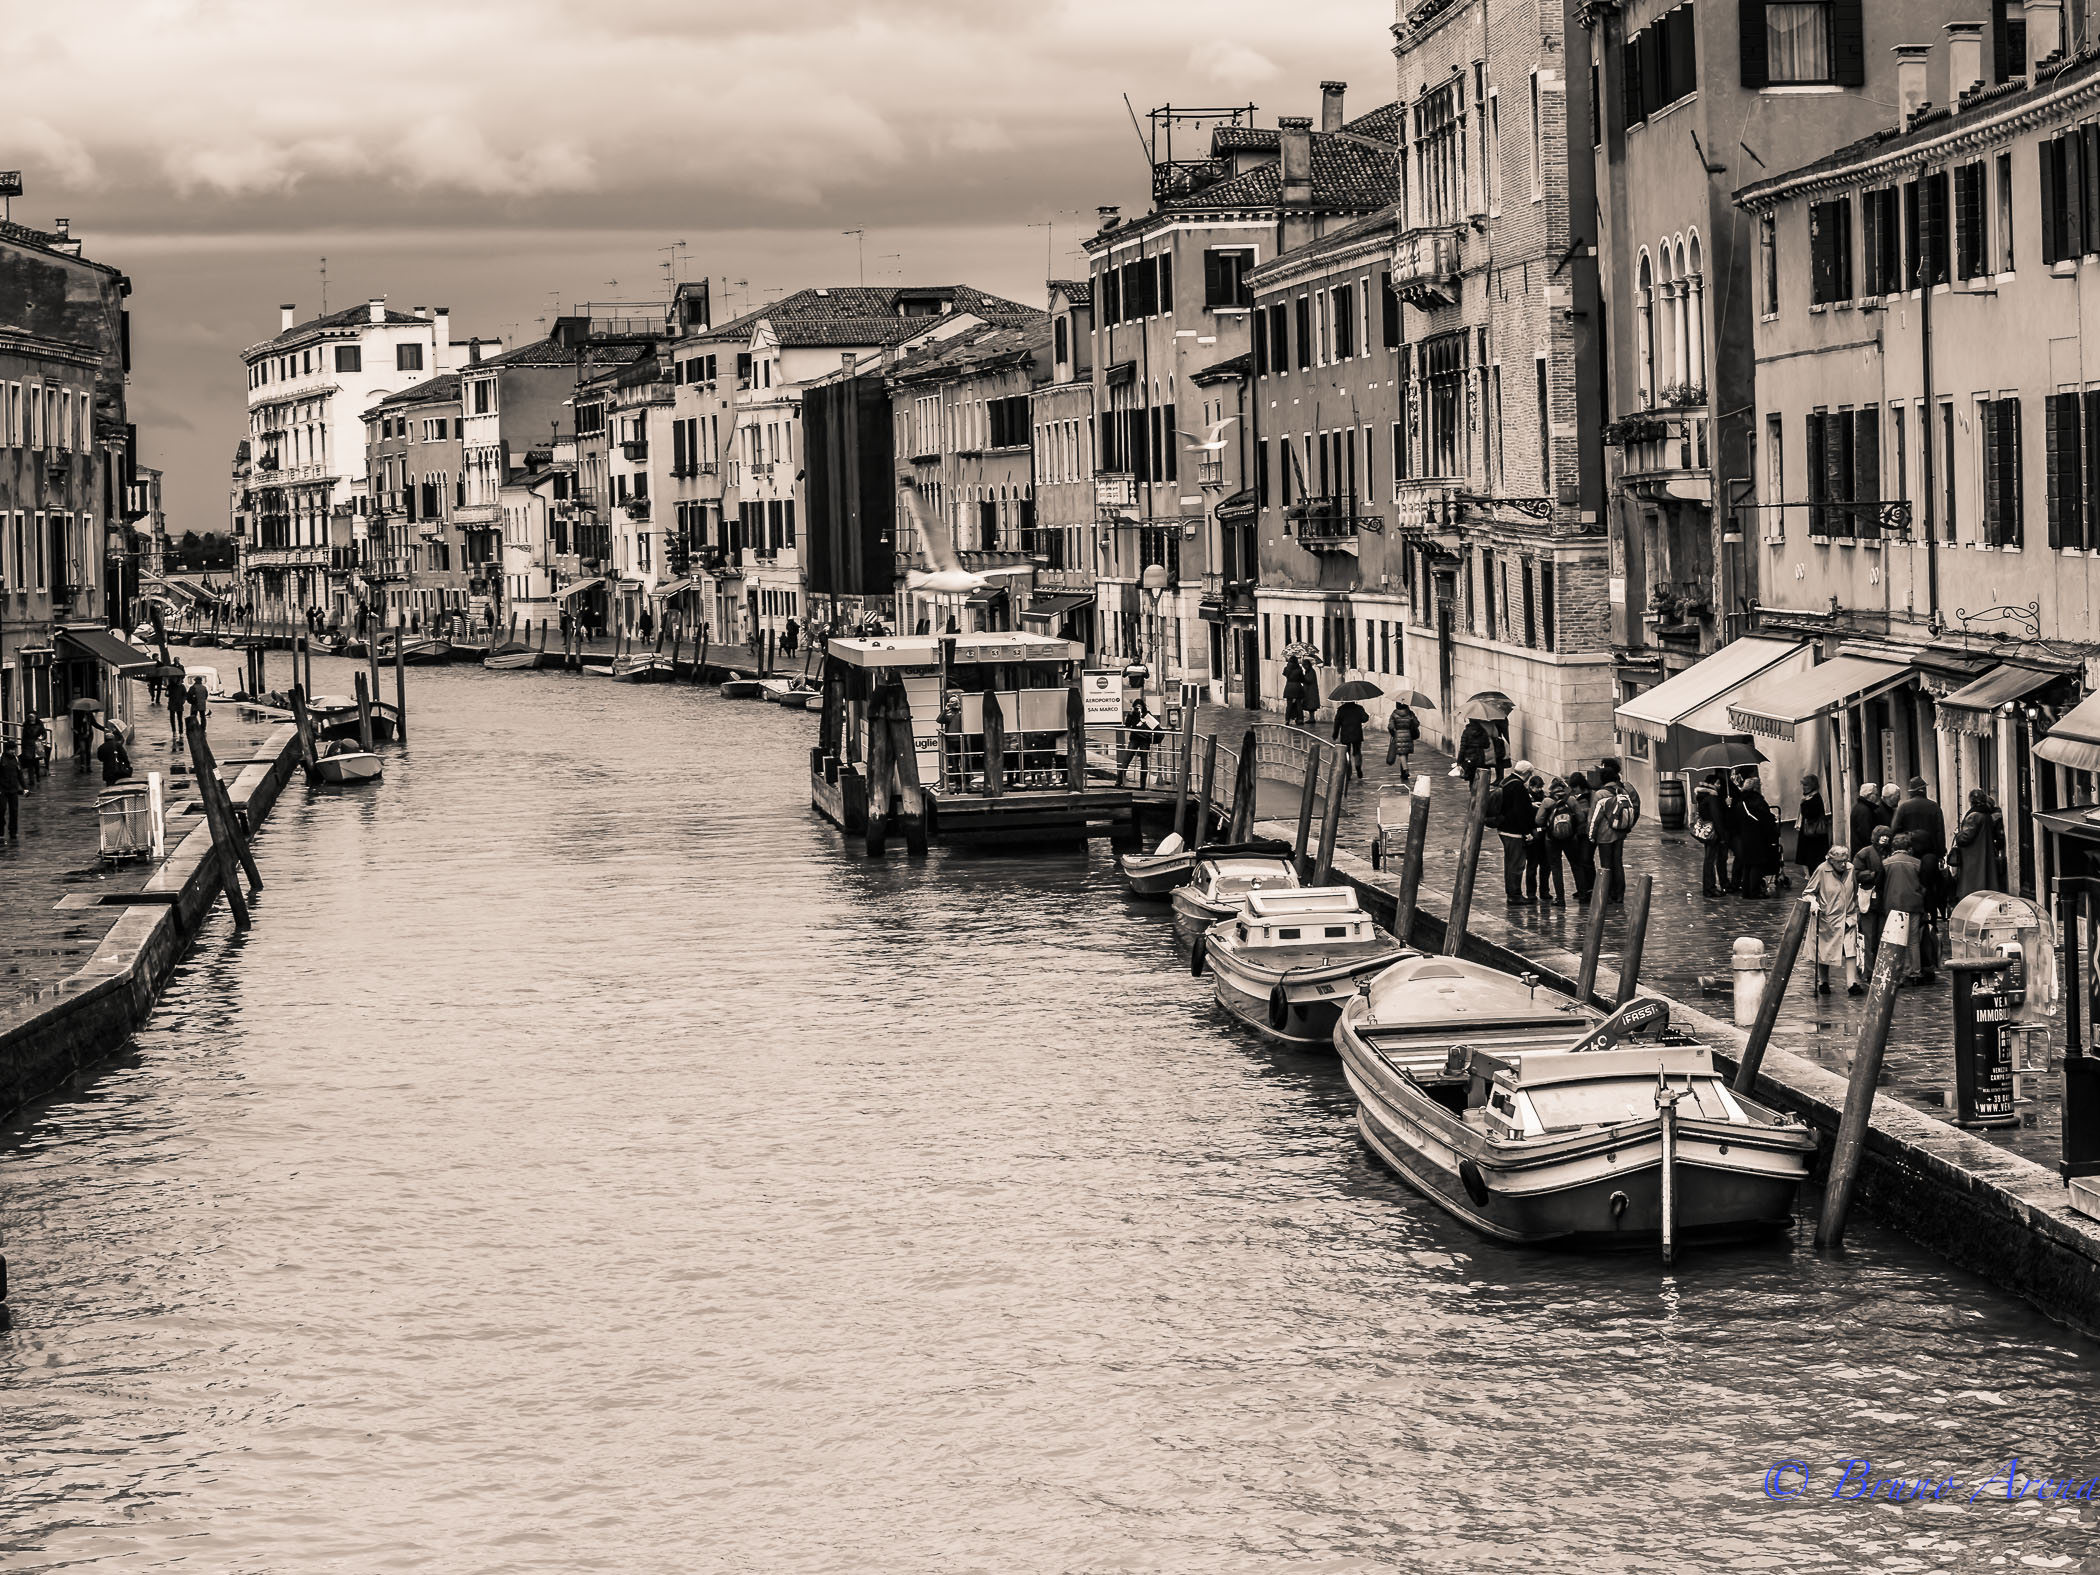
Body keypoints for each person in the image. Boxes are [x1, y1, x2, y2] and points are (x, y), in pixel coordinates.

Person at [1881, 831, 1935, 984]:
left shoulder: (1886, 863)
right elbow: (1923, 885)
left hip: (1893, 905)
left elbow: (1879, 884)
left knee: (1897, 940)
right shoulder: (1917, 863)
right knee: (1913, 940)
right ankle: (1916, 973)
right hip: (1914, 904)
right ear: (1909, 847)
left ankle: (1901, 973)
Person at [1890, 776, 1947, 917]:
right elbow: (1940, 832)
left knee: (1912, 885)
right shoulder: (1934, 807)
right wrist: (1940, 854)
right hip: (1930, 854)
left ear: (1911, 792)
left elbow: (1894, 829)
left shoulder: (1903, 807)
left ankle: (1914, 914)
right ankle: (1932, 916)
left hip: (1909, 854)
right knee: (1930, 886)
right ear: (1923, 790)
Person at [1807, 845, 1859, 995]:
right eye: (1839, 862)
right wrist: (1814, 903)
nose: (1843, 864)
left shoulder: (1850, 869)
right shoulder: (1822, 870)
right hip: (1827, 919)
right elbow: (1809, 892)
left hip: (1847, 916)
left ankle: (1852, 983)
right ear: (1831, 861)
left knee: (1850, 950)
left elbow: (1854, 890)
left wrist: (1855, 911)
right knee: (1825, 951)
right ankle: (1824, 982)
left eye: (1845, 860)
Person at [1589, 760, 1635, 903]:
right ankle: (1619, 894)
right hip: (1619, 833)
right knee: (1618, 863)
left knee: (1606, 865)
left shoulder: (1600, 794)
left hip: (1604, 835)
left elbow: (1594, 818)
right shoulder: (1623, 790)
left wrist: (1591, 835)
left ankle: (1607, 895)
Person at [1953, 789, 2005, 900]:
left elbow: (1966, 837)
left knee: (1973, 884)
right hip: (1984, 852)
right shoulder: (1987, 814)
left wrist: (1958, 835)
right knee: (1985, 880)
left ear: (1971, 800)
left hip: (1973, 855)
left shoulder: (1974, 816)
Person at [1735, 770, 1780, 897]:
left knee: (1747, 864)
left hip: (1745, 836)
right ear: (1756, 788)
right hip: (1757, 836)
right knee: (1757, 864)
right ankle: (1754, 891)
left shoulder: (1741, 802)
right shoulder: (1757, 801)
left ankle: (1746, 891)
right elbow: (1765, 818)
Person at [1496, 767, 1537, 904]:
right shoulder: (1518, 786)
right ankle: (1514, 895)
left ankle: (1512, 893)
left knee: (1510, 863)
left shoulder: (1506, 781)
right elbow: (1520, 812)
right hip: (1514, 831)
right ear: (1526, 773)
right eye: (1530, 773)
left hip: (1504, 828)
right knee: (1516, 864)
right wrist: (1527, 832)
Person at [1536, 776, 1577, 905]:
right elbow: (1581, 817)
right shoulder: (1571, 799)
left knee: (1556, 867)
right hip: (1570, 838)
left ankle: (1560, 898)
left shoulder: (1547, 801)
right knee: (1576, 865)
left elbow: (1538, 820)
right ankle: (1582, 894)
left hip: (1552, 838)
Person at [1855, 826, 1891, 966]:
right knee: (1869, 936)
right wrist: (1873, 875)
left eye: (1887, 836)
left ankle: (1881, 966)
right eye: (1882, 835)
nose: (1885, 838)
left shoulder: (1891, 853)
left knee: (1883, 934)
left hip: (1885, 898)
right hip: (1869, 897)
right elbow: (1856, 873)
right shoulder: (1865, 853)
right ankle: (1869, 968)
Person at [1694, 771, 1730, 898]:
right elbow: (1717, 817)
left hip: (1708, 832)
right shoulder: (1713, 798)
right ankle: (1710, 888)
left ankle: (1712, 886)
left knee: (1710, 859)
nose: (1720, 786)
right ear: (1712, 784)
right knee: (1710, 860)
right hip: (1714, 833)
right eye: (1718, 783)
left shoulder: (1703, 796)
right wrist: (1723, 836)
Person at [1564, 770, 1597, 903]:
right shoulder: (1574, 795)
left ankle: (1591, 888)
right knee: (1582, 860)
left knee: (1586, 860)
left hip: (1587, 832)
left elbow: (1587, 813)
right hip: (1579, 833)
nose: (1573, 789)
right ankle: (1584, 887)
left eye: (1575, 787)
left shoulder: (1590, 796)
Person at [1795, 773, 1832, 878]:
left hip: (1813, 834)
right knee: (1811, 860)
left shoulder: (1813, 798)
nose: (1803, 787)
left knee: (1813, 859)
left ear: (1812, 786)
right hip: (1811, 834)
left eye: (1805, 785)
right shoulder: (1810, 797)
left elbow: (1809, 815)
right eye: (1803, 785)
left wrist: (1803, 804)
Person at [1333, 696, 1369, 779]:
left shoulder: (1341, 709)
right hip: (1357, 734)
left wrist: (1335, 734)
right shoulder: (1359, 708)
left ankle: (1348, 772)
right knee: (1357, 751)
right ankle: (1358, 765)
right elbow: (1365, 718)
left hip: (1345, 735)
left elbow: (1337, 723)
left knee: (1347, 753)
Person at [1385, 700, 1420, 770]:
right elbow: (1417, 723)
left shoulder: (1394, 714)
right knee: (1405, 753)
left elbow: (1390, 727)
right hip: (1408, 735)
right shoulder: (1410, 713)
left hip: (1398, 735)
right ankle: (1404, 771)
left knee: (1401, 753)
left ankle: (1405, 769)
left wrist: (1393, 733)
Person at [0, 738, 22, 840]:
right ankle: (0, 830)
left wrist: (24, 788)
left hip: (13, 789)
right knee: (1, 809)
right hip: (2, 789)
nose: (13, 751)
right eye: (11, 749)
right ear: (6, 750)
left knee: (14, 811)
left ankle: (13, 832)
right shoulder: (1, 758)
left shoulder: (16, 759)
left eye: (14, 749)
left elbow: (20, 775)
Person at [1851, 781, 1882, 853]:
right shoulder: (1865, 811)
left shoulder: (1859, 807)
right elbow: (1866, 834)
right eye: (1876, 795)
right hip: (1864, 851)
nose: (1877, 797)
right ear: (1870, 795)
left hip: (1860, 850)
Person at [20, 712, 47, 787]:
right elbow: (24, 736)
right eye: (30, 717)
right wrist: (23, 746)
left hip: (36, 744)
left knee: (36, 762)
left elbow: (44, 733)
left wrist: (42, 738)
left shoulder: (39, 724)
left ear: (35, 717)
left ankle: (38, 776)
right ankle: (31, 780)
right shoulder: (26, 725)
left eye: (32, 717)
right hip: (28, 745)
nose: (31, 719)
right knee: (29, 763)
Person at [70, 708, 94, 772]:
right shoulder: (79, 715)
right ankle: (82, 766)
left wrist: (103, 729)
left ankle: (88, 766)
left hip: (89, 735)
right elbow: (75, 726)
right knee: (83, 750)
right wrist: (82, 722)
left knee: (88, 751)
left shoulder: (90, 715)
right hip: (81, 735)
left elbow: (95, 724)